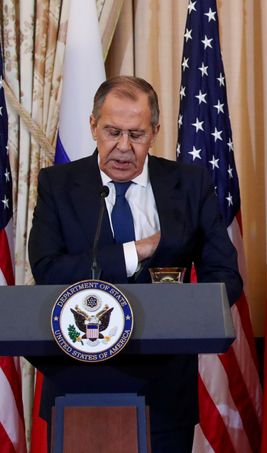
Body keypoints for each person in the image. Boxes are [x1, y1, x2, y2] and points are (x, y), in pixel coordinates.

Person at [28, 75, 242, 452]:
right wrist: (136, 251)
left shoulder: (188, 184)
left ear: (155, 131)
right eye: (112, 131)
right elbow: (49, 270)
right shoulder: (58, 185)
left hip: (164, 392)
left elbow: (225, 277)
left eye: (136, 134)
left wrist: (182, 311)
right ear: (93, 126)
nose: (123, 147)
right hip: (77, 386)